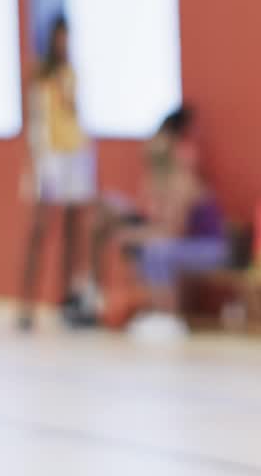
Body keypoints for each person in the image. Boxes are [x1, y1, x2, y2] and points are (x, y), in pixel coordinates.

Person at [87, 105, 229, 340]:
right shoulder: (159, 186)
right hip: (183, 241)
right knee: (143, 245)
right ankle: (111, 298)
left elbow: (174, 231)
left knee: (158, 251)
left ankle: (168, 315)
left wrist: (134, 235)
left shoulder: (183, 184)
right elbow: (156, 221)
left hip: (210, 247)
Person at [18, 15, 100, 330]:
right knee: (39, 228)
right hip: (49, 156)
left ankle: (66, 300)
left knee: (72, 232)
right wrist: (33, 159)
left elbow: (76, 115)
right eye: (59, 37)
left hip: (74, 153)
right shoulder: (39, 75)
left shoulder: (72, 74)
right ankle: (27, 302)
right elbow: (35, 119)